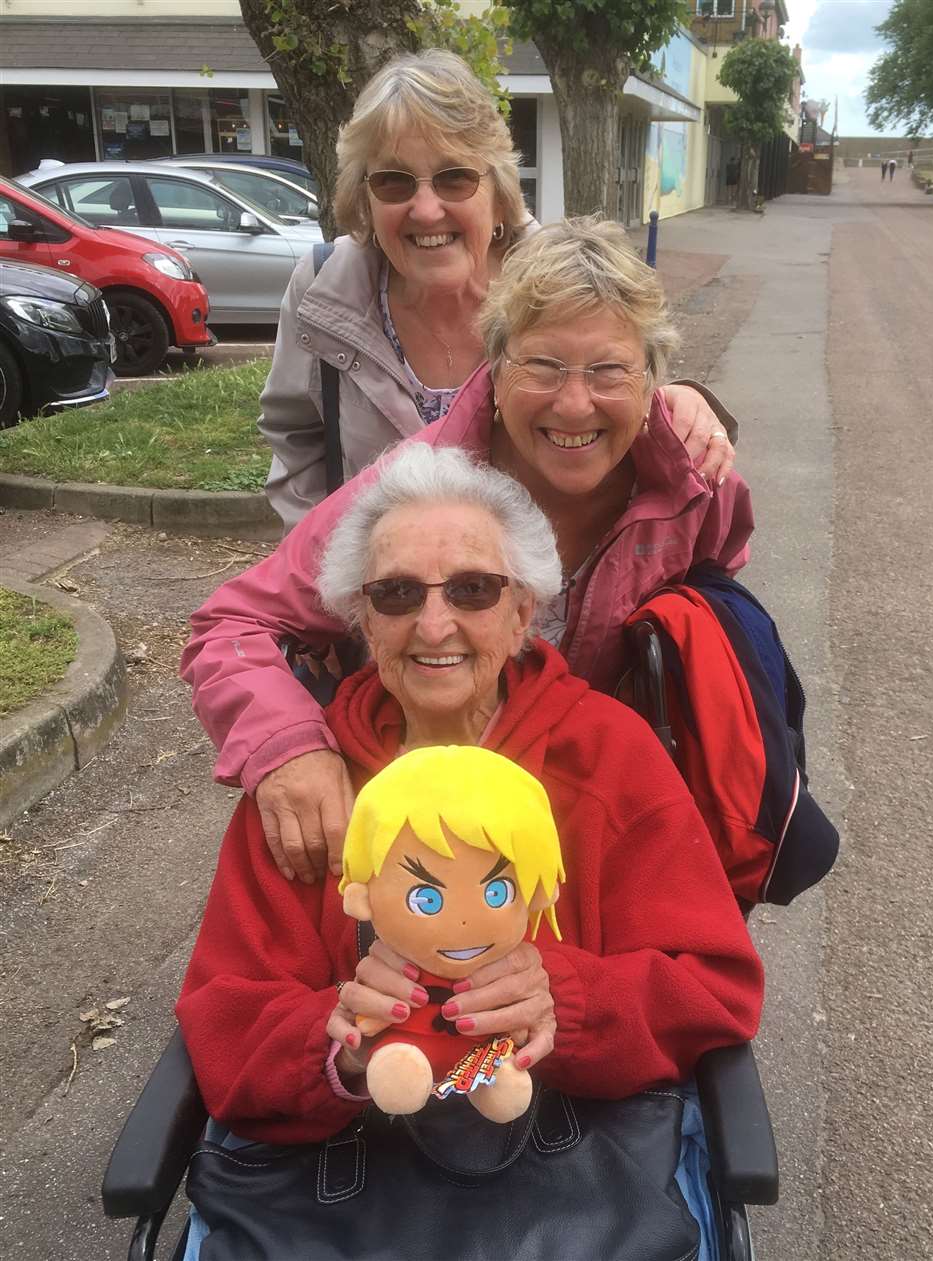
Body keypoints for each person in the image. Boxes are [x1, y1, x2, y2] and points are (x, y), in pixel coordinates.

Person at [176, 441, 762, 1148]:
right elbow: (225, 1015)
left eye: (473, 588)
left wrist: (567, 1001)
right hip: (349, 1171)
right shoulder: (310, 781)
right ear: (363, 621)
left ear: (522, 612)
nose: (433, 625)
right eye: (396, 593)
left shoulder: (610, 754)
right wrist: (340, 1041)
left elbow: (712, 984)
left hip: (574, 1161)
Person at [182, 216, 755, 886]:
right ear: (495, 362)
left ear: (652, 377)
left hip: (602, 831)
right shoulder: (414, 494)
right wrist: (287, 746)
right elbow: (231, 625)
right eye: (541, 364)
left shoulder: (697, 487)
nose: (574, 404)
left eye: (608, 370)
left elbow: (712, 617)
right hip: (430, 841)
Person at [259, 48, 736, 532]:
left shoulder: (562, 280)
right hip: (381, 593)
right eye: (393, 181)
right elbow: (295, 436)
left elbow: (621, 400)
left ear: (499, 186)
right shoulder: (324, 288)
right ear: (364, 193)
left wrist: (679, 400)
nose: (425, 210)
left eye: (455, 178)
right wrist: (327, 566)